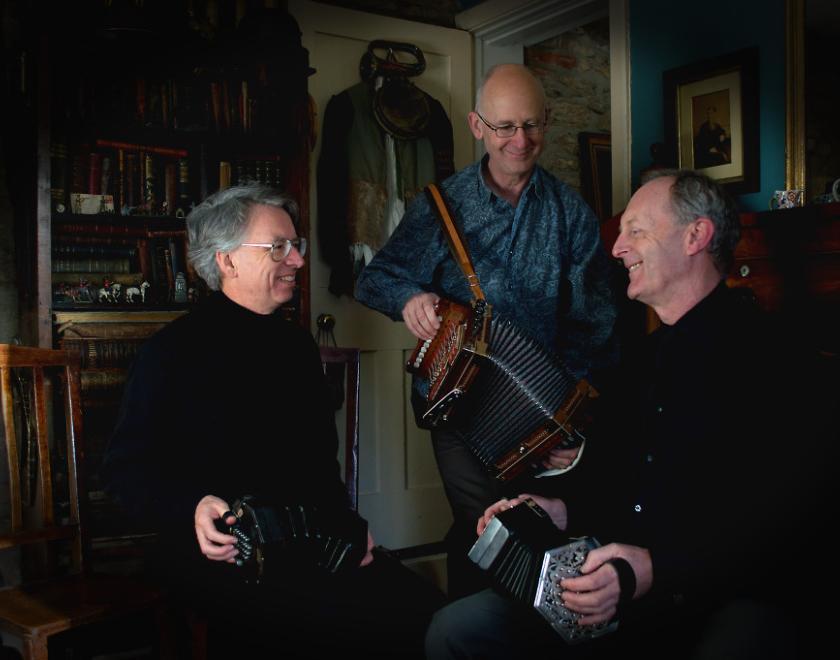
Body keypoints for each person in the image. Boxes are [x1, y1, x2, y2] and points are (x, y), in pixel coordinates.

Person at [425, 169, 833, 659]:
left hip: (720, 595)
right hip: (617, 591)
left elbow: (784, 524)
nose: (617, 249)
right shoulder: (636, 362)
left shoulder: (778, 361)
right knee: (457, 629)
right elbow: (613, 481)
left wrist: (658, 568)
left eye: (635, 231)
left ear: (696, 236)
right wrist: (557, 509)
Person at [102, 184, 443, 658]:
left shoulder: (296, 347)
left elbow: (319, 464)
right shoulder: (169, 354)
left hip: (307, 544)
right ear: (227, 261)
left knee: (431, 617)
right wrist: (191, 506)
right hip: (221, 558)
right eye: (278, 247)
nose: (298, 261)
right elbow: (124, 473)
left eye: (295, 245)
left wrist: (349, 526)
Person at [354, 63, 619, 599]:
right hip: (459, 404)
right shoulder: (441, 206)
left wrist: (570, 426)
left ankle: (492, 625)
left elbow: (595, 326)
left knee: (529, 529)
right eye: (505, 127)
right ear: (477, 126)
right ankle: (469, 627)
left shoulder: (571, 213)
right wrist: (409, 298)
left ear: (546, 121)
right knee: (490, 530)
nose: (520, 140)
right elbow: (374, 279)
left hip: (541, 414)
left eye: (531, 125)